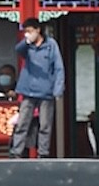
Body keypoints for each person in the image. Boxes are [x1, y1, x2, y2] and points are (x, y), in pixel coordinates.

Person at [10, 17, 65, 158]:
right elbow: (18, 50)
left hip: (46, 92)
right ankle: (16, 152)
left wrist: (58, 89)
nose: (27, 34)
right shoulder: (26, 46)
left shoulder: (51, 45)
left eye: (29, 31)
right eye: (25, 32)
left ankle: (43, 153)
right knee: (22, 123)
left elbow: (58, 68)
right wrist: (27, 41)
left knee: (45, 125)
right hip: (28, 91)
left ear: (38, 30)